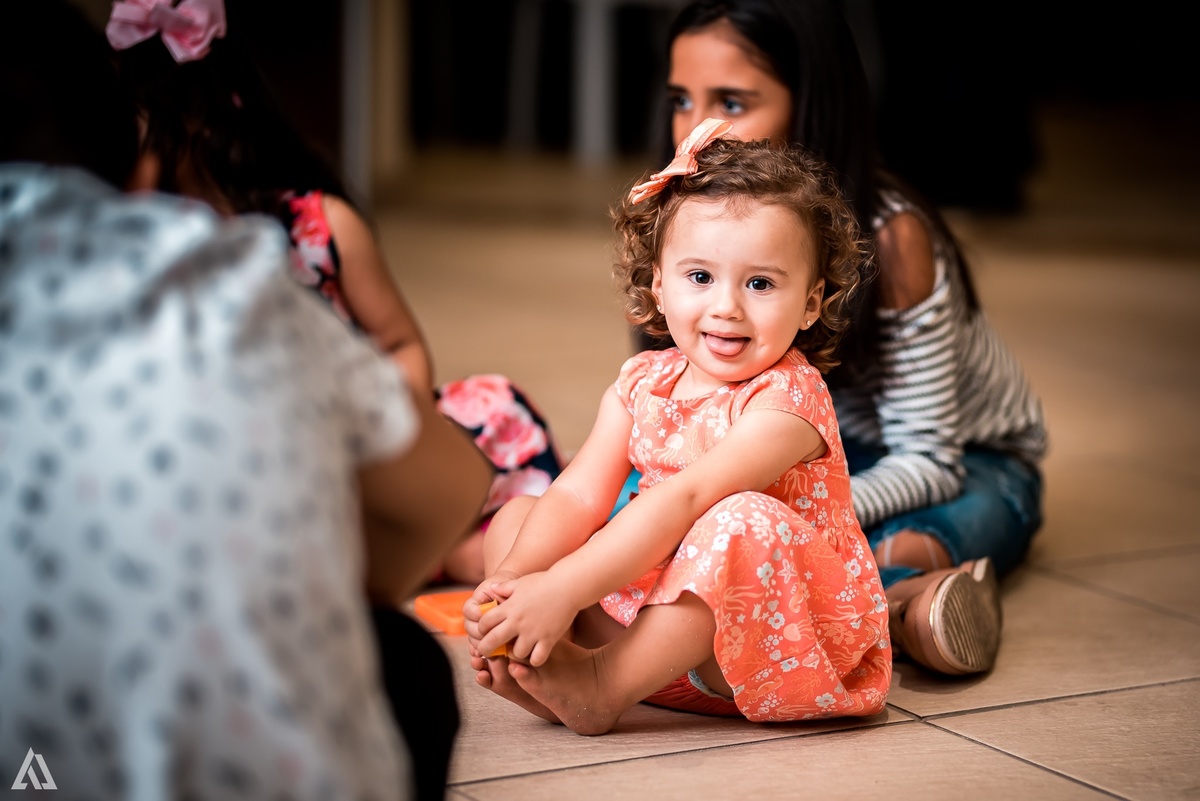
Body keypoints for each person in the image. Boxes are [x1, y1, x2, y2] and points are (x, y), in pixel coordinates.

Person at [0, 3, 492, 799]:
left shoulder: (315, 230)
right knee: (401, 658)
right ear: (142, 172)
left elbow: (401, 346)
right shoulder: (231, 281)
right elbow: (445, 489)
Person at [105, 0, 562, 587]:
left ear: (201, 120)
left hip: (386, 451)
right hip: (271, 470)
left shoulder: (319, 229)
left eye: (133, 134)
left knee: (499, 554)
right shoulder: (127, 258)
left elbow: (401, 346)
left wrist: (388, 433)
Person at [653, 0, 1047, 676]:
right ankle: (845, 602)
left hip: (961, 457)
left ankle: (906, 601)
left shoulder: (894, 241)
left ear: (812, 106)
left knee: (916, 530)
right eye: (683, 100)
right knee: (656, 504)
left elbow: (930, 458)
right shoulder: (687, 225)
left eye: (733, 101)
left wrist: (794, 506)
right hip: (792, 445)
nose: (699, 130)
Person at [462, 121, 891, 735]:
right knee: (519, 518)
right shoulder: (644, 383)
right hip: (656, 639)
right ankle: (556, 661)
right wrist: (516, 581)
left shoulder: (789, 400)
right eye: (700, 277)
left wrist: (560, 588)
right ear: (659, 284)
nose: (726, 307)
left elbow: (687, 497)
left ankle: (603, 685)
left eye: (761, 283)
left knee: (738, 519)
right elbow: (580, 494)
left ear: (811, 302)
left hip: (765, 651)